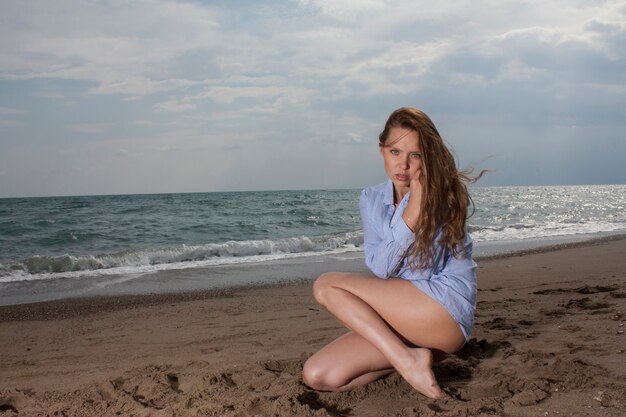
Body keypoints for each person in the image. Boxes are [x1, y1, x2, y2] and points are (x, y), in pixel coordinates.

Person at [302, 107, 481, 399]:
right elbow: (379, 266)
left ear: (427, 158)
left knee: (326, 285)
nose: (403, 165)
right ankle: (407, 357)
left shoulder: (441, 197)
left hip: (444, 313)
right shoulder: (370, 198)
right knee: (319, 375)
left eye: (415, 155)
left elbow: (421, 271)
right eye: (395, 152)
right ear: (381, 150)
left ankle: (408, 361)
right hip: (407, 319)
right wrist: (410, 214)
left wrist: (414, 208)